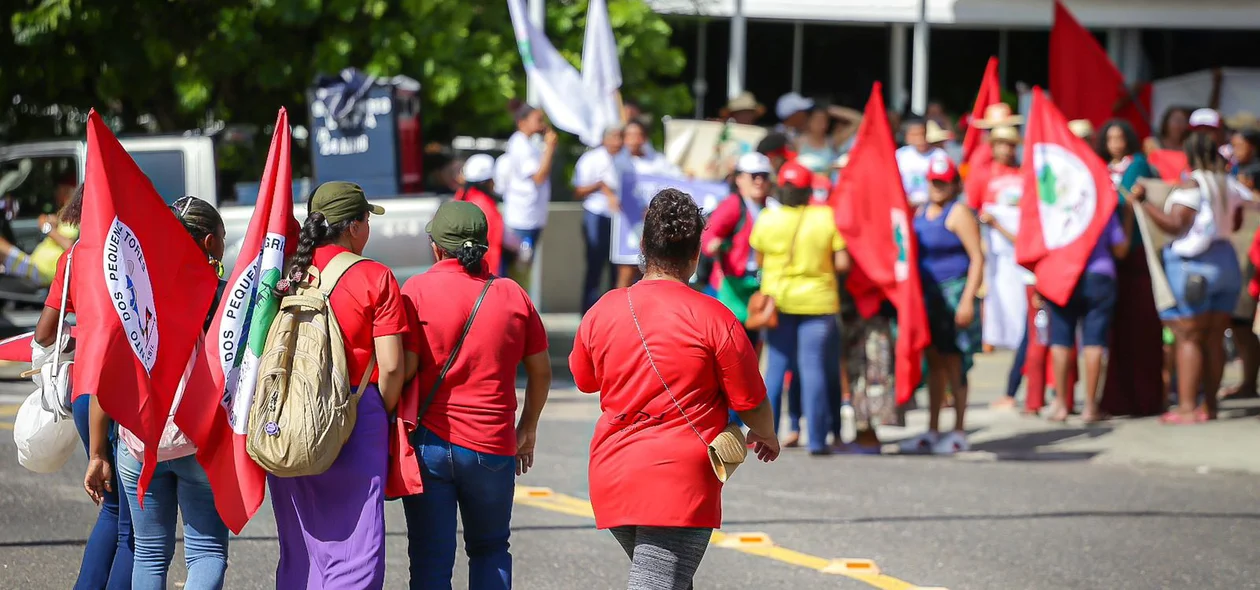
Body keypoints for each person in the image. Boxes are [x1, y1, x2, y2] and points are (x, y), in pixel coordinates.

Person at [569, 188, 780, 590]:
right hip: (681, 479)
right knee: (657, 581)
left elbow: (585, 380)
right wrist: (765, 435)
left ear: (644, 246)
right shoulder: (715, 316)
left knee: (670, 579)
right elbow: (750, 401)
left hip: (614, 472)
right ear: (696, 254)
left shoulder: (604, 308)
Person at [268, 182, 414, 588]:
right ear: (353, 227)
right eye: (366, 219)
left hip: (287, 413)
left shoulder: (287, 274)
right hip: (353, 409)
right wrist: (372, 413)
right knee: (355, 544)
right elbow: (391, 367)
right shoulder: (376, 276)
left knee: (300, 545)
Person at [401, 201, 551, 590]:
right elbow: (540, 371)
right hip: (492, 445)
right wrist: (528, 428)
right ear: (484, 246)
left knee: (430, 557)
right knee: (490, 548)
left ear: (436, 247)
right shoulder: (512, 295)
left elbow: (403, 368)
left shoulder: (415, 290)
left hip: (429, 444)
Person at [82, 196, 229, 590]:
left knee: (148, 552)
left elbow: (107, 380)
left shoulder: (131, 295)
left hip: (138, 442)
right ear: (210, 243)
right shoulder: (221, 297)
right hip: (198, 440)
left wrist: (98, 454)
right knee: (207, 552)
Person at [34, 187, 135, 589]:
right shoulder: (131, 258)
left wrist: (84, 339)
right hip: (120, 394)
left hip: (81, 392)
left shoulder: (72, 257)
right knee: (134, 525)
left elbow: (44, 333)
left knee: (112, 511)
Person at [1135, 132, 1251, 423]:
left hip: (1194, 266)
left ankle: (1187, 408)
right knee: (1214, 337)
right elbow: (1237, 221)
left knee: (1188, 336)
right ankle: (1209, 406)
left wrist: (1144, 204)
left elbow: (1175, 225)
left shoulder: (1192, 185)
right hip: (1226, 263)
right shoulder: (1230, 183)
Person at [749, 162, 851, 455]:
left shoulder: (768, 218)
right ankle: (817, 441)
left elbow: (758, 261)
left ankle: (765, 434)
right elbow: (843, 262)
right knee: (813, 369)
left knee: (775, 371)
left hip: (778, 304)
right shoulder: (824, 217)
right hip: (818, 303)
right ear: (809, 191)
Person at [900, 157, 984, 454]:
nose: (937, 187)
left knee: (955, 363)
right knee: (934, 363)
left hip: (954, 293)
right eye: (933, 181)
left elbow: (977, 257)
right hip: (928, 297)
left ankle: (959, 429)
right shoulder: (921, 211)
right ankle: (933, 429)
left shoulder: (958, 212)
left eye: (943, 181)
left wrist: (967, 300)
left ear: (953, 184)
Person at [1095, 119, 1166, 418]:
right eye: (1109, 137)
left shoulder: (1138, 165)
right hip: (1108, 259)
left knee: (1140, 330)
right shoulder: (1098, 168)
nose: (1115, 143)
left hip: (1135, 256)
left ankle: (1145, 398)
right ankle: (1117, 399)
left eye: (1120, 137)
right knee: (1116, 333)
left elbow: (1133, 203)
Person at [972, 125, 1028, 410]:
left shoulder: (1024, 174)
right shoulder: (981, 176)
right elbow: (970, 213)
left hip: (1024, 257)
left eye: (1011, 144)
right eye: (1001, 144)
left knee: (1026, 319)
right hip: (996, 258)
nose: (1007, 149)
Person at [499, 105, 558, 285]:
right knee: (518, 269)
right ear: (522, 122)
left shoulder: (530, 144)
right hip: (522, 217)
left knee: (524, 268)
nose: (542, 124)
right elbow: (539, 176)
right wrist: (550, 148)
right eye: (537, 119)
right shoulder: (520, 144)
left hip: (532, 215)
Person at [1221, 127, 1260, 402]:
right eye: (1232, 145)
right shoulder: (1232, 171)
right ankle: (1248, 382)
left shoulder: (1254, 172)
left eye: (1240, 145)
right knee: (1240, 323)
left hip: (1253, 258)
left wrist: (1252, 193)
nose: (1236, 150)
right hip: (1239, 255)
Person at [574, 127, 626, 312]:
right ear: (604, 139)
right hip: (596, 214)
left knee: (617, 268)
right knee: (595, 264)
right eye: (613, 137)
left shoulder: (627, 159)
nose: (617, 142)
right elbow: (578, 190)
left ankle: (612, 313)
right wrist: (600, 186)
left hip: (620, 219)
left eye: (620, 137)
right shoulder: (591, 159)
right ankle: (588, 311)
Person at [0, 172, 79, 285]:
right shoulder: (65, 215)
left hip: (41, 272)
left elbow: (70, 245)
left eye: (59, 189)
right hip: (35, 265)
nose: (56, 193)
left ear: (67, 191)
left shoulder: (73, 217)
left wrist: (47, 229)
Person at [455, 154, 507, 278]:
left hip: (463, 270)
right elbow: (494, 239)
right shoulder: (484, 204)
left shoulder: (461, 196)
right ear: (486, 181)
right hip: (484, 271)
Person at [895, 117, 951, 207]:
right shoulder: (900, 155)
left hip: (931, 207)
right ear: (907, 137)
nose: (920, 139)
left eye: (923, 134)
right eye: (915, 135)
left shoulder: (940, 155)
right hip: (905, 206)